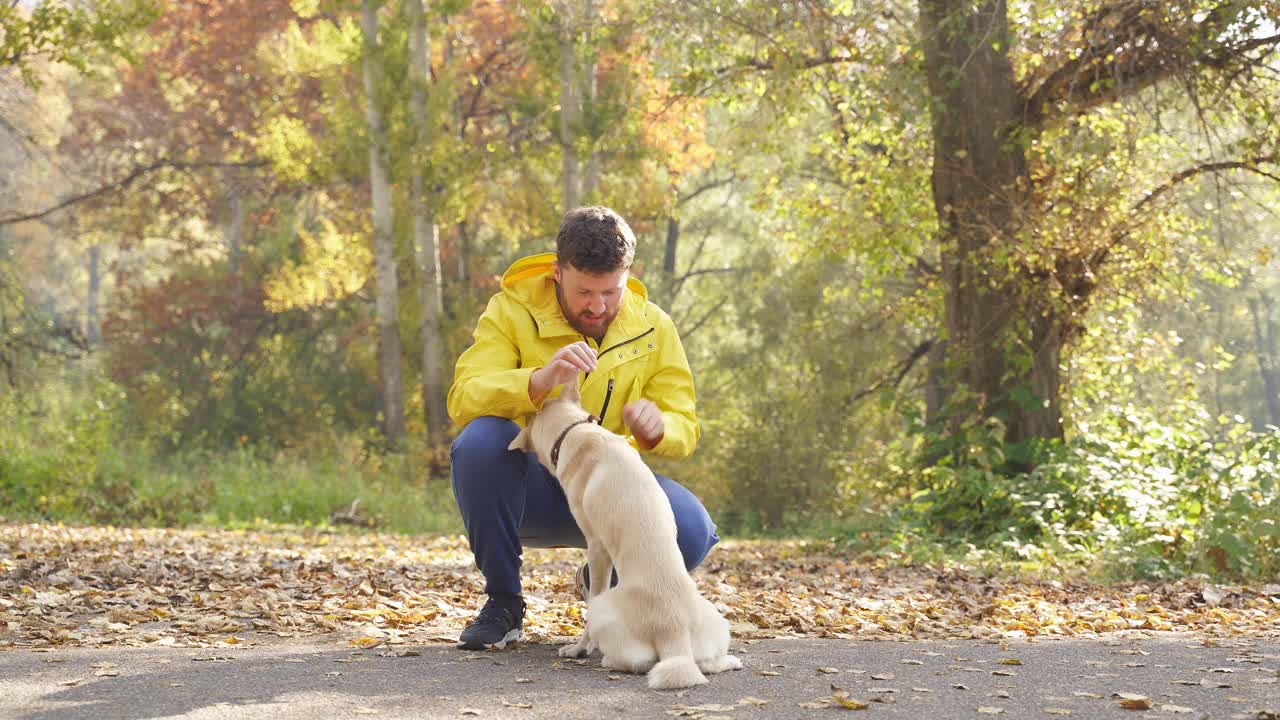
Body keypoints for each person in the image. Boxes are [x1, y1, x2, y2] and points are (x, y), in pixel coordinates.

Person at [447, 205, 719, 651]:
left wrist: (657, 430)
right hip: (527, 489)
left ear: (628, 276)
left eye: (610, 292)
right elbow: (464, 396)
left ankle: (602, 581)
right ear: (557, 272)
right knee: (479, 444)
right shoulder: (511, 310)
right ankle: (504, 603)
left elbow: (684, 425)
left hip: (608, 492)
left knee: (691, 530)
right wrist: (538, 381)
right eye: (584, 291)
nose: (597, 305)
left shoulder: (655, 327)